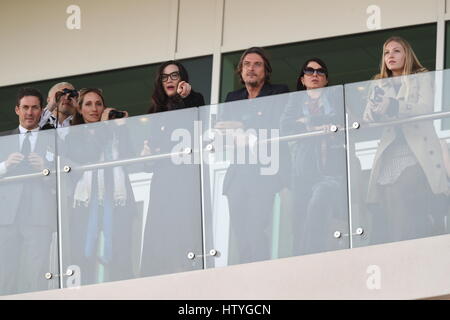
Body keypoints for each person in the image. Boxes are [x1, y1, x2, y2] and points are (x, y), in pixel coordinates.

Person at [362, 36, 448, 242]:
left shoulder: (421, 76)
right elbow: (367, 118)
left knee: (405, 196)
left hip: (416, 151)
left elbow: (425, 107)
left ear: (407, 54)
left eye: (396, 51)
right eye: (386, 52)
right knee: (388, 204)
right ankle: (399, 249)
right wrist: (376, 110)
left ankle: (410, 247)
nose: (390, 55)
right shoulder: (379, 82)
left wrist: (393, 105)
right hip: (388, 153)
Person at [215, 47, 290, 264]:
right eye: (247, 64)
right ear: (240, 70)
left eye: (257, 64)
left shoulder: (278, 93)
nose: (251, 68)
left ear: (265, 71)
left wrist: (241, 125)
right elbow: (221, 131)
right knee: (241, 233)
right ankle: (247, 274)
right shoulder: (233, 97)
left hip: (264, 171)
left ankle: (262, 273)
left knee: (257, 227)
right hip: (238, 174)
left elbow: (275, 125)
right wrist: (238, 130)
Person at [63, 88, 137, 284]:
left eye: (98, 104)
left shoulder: (115, 131)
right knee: (83, 258)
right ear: (79, 109)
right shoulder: (74, 135)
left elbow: (130, 158)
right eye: (88, 104)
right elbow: (87, 155)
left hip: (118, 203)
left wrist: (121, 127)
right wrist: (106, 127)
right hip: (85, 204)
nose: (94, 108)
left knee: (121, 257)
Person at [140, 60, 204, 277]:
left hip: (185, 180)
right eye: (165, 77)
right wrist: (147, 155)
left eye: (174, 75)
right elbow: (154, 151)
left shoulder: (195, 100)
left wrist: (182, 98)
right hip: (161, 182)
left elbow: (192, 127)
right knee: (161, 238)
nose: (169, 80)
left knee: (182, 236)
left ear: (183, 79)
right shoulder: (155, 111)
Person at [280, 58, 349, 255]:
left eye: (320, 72)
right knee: (299, 219)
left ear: (326, 79)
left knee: (318, 205)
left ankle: (312, 254)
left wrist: (307, 122)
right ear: (302, 79)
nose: (315, 75)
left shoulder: (335, 95)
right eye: (309, 71)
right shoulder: (295, 100)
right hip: (303, 168)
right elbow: (285, 126)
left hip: (332, 166)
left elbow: (342, 118)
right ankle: (300, 259)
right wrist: (316, 124)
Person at [0, 88, 56, 295]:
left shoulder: (54, 139)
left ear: (41, 111)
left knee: (37, 275)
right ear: (17, 110)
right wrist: (5, 166)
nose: (29, 113)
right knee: (4, 275)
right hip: (6, 218)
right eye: (25, 108)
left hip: (39, 216)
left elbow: (70, 171)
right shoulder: (2, 139)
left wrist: (46, 166)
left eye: (34, 108)